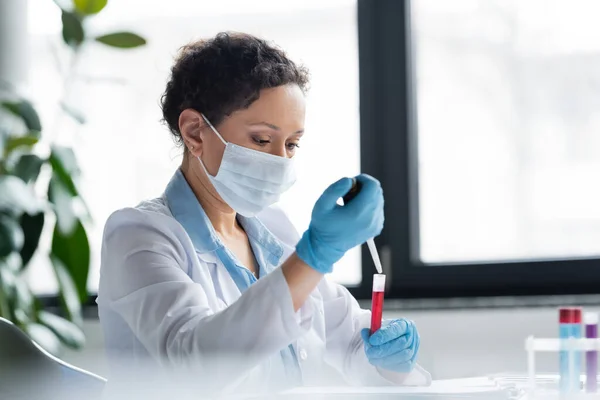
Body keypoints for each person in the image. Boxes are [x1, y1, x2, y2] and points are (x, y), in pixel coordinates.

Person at [97, 32, 430, 396]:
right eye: (261, 140)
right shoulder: (139, 235)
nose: (280, 161)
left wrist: (393, 364)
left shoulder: (274, 231)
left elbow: (352, 341)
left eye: (291, 144)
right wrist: (315, 255)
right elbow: (195, 364)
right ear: (195, 132)